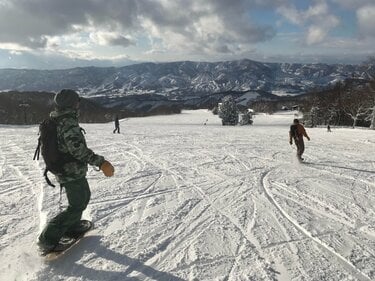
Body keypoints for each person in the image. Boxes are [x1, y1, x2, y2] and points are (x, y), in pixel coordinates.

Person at [38, 89, 115, 253]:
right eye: (77, 101)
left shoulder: (59, 119)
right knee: (77, 204)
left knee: (83, 198)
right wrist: (101, 163)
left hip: (69, 169)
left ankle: (72, 225)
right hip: (69, 170)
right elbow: (78, 150)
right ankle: (48, 238)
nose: (79, 103)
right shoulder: (67, 123)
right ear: (72, 103)